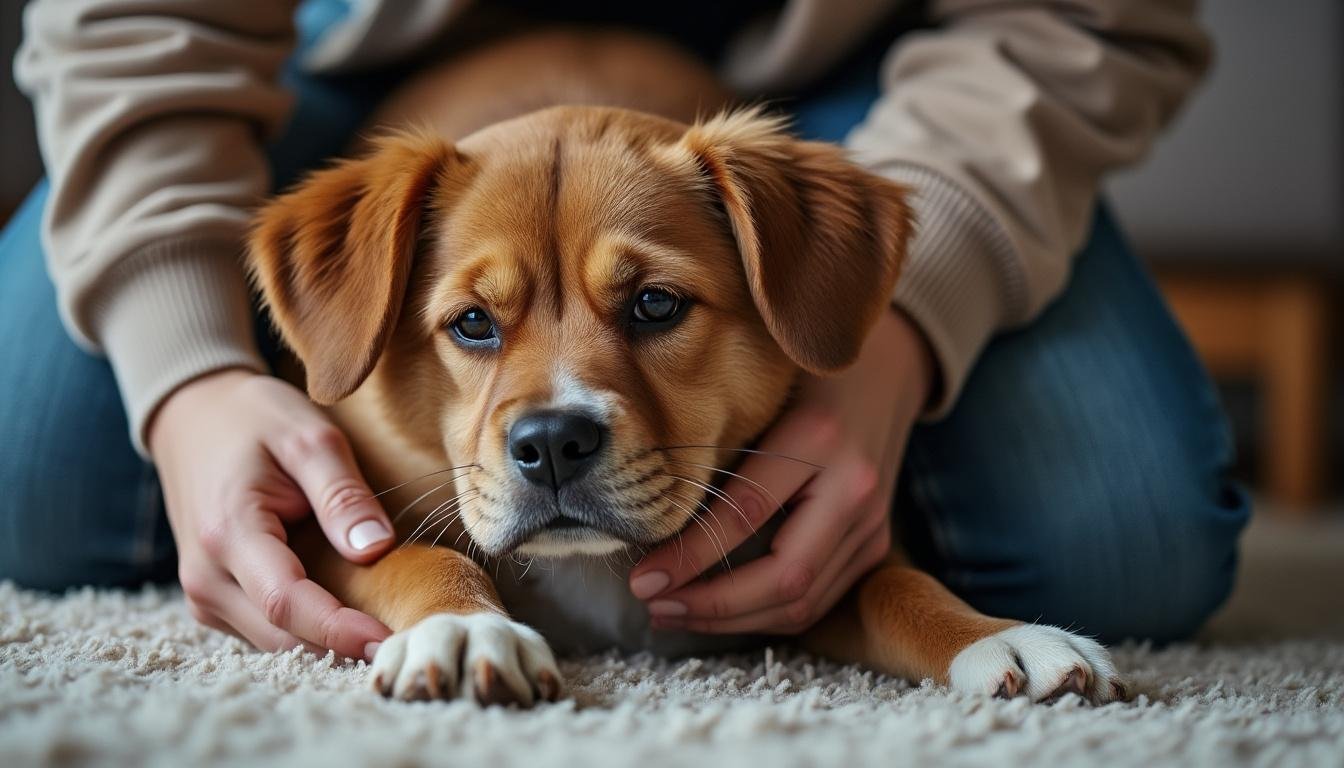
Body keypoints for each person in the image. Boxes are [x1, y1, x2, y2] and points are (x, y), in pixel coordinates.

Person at [2, 0, 1249, 663]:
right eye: (477, 326)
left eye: (648, 308)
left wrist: (901, 329)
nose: (554, 416)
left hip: (885, 71)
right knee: (33, 481)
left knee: (1129, 540)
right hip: (339, 57)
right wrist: (192, 384)